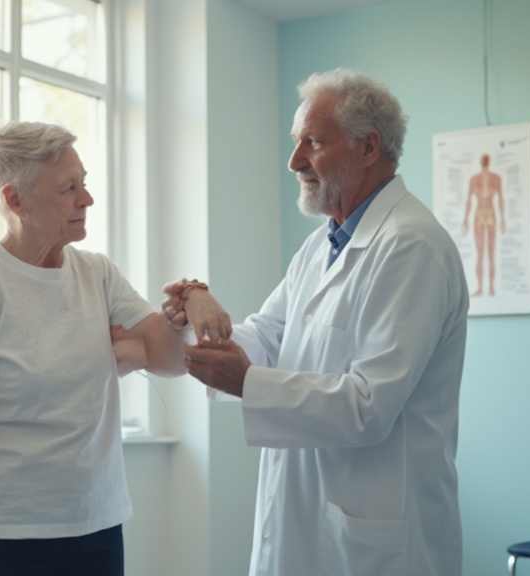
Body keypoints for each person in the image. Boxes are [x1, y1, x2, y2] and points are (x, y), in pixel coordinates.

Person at [164, 68, 469, 576]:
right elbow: (268, 336)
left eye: (313, 142)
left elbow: (370, 406)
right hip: (306, 523)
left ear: (368, 147)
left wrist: (248, 383)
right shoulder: (323, 244)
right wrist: (201, 322)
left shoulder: (411, 246)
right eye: (295, 142)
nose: (294, 161)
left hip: (378, 538)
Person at [0, 121, 187, 576]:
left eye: (84, 183)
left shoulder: (98, 274)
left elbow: (172, 361)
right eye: (68, 188)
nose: (86, 199)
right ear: (14, 199)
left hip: (96, 529)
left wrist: (185, 306)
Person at [462, 153, 506, 296]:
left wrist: (503, 219)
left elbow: (500, 199)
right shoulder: (474, 179)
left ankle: (491, 288)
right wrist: (465, 219)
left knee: (490, 253)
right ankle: (481, 288)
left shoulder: (495, 179)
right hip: (480, 214)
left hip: (490, 214)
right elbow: (468, 200)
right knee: (481, 253)